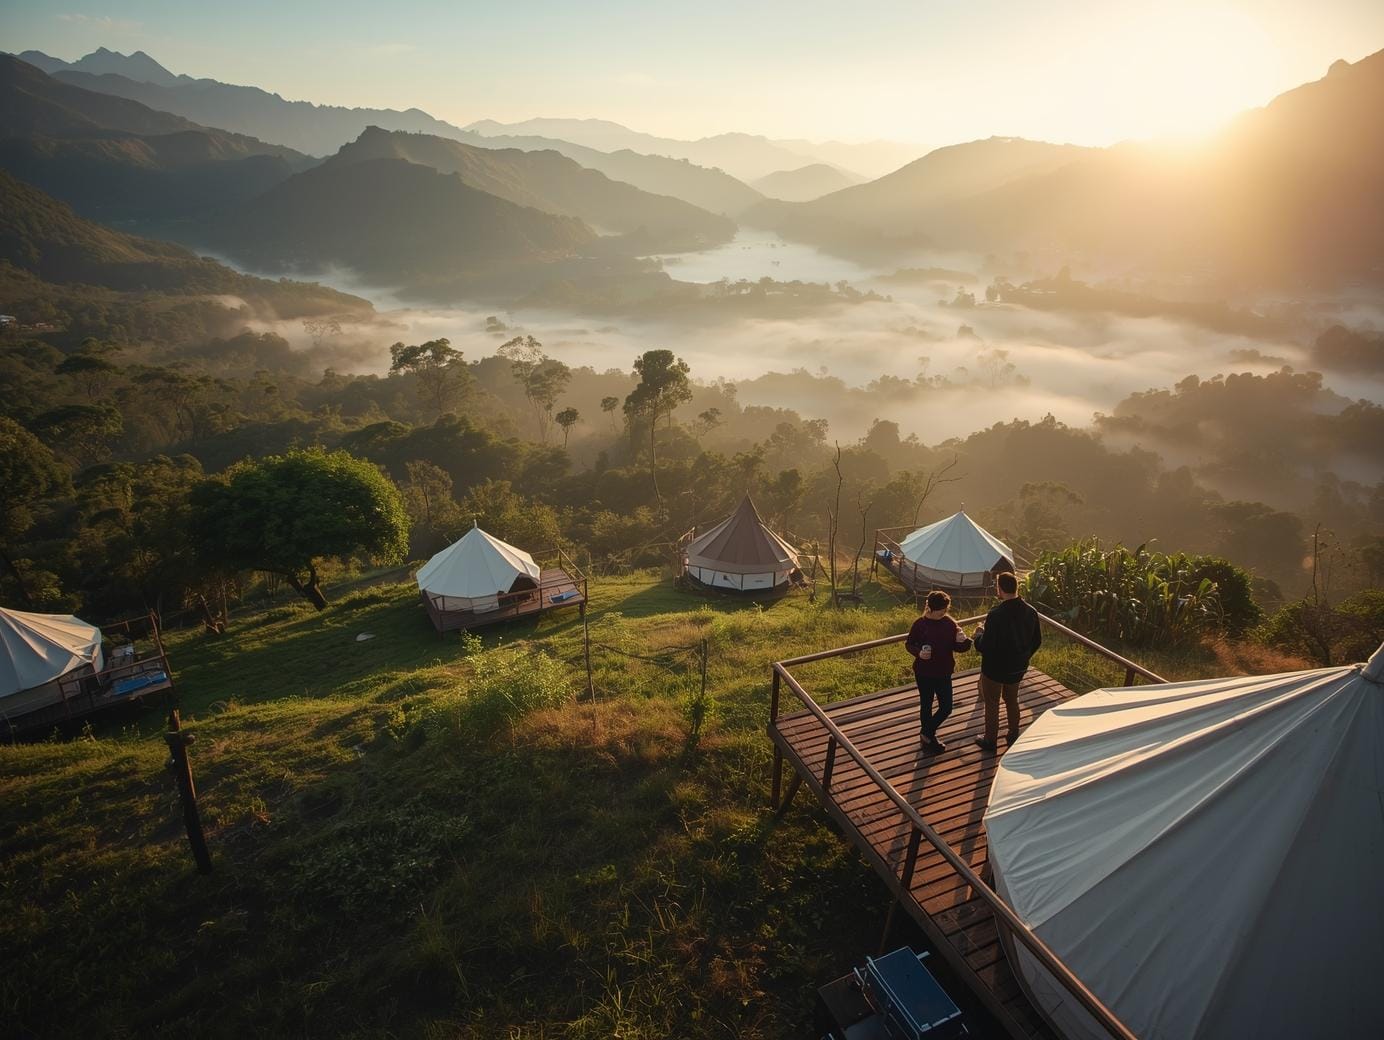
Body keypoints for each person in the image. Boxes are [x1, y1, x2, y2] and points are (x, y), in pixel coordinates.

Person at [972, 571, 1041, 754]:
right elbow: (1037, 641)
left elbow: (985, 646)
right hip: (1017, 668)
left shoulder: (996, 614)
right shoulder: (1031, 611)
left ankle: (990, 740)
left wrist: (978, 635)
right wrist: (1023, 656)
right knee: (1012, 700)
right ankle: (1013, 734)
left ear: (1000, 589)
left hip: (994, 669)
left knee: (992, 703)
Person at [905, 590, 972, 753]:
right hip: (924, 672)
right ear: (931, 608)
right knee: (926, 705)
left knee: (946, 707)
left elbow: (958, 647)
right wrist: (919, 653)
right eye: (942, 610)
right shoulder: (920, 624)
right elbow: (909, 643)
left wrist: (965, 641)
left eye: (946, 609)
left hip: (943, 671)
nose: (945, 612)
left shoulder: (949, 622)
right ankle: (929, 738)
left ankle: (926, 732)